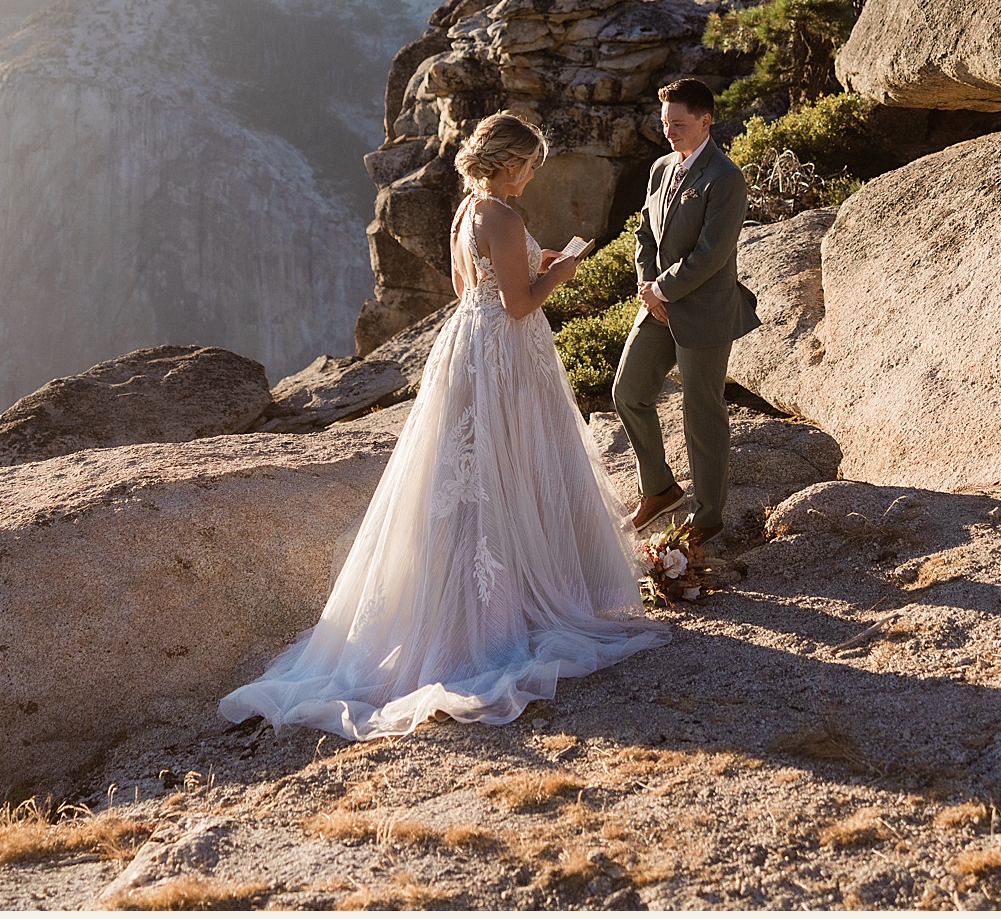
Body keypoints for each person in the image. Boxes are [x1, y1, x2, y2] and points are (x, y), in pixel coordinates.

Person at [219, 111, 667, 740]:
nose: (533, 175)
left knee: (471, 473)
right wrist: (560, 272)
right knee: (514, 460)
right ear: (510, 164)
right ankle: (506, 616)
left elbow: (466, 290)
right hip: (507, 351)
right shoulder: (504, 216)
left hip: (468, 347)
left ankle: (468, 602)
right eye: (531, 164)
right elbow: (518, 303)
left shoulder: (464, 213)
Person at [613, 77, 760, 544]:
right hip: (656, 304)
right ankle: (659, 489)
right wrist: (645, 284)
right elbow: (644, 235)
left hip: (704, 311)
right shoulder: (660, 168)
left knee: (702, 412)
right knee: (628, 392)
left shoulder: (725, 178)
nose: (668, 132)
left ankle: (708, 514)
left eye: (678, 123)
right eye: (664, 123)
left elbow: (712, 254)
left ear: (705, 121)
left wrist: (663, 290)